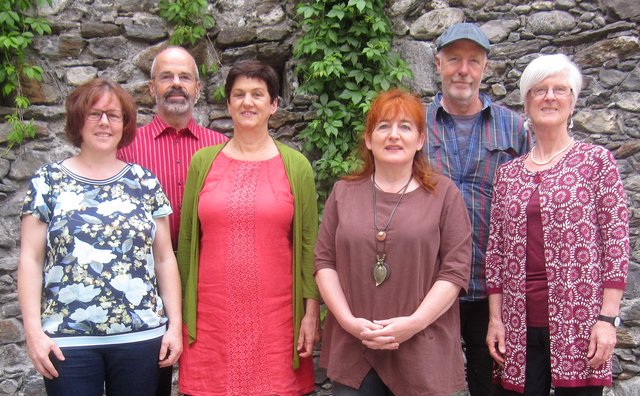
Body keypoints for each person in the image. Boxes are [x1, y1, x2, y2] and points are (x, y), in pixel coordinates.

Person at [18, 78, 182, 396]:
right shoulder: (47, 181)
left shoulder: (144, 182)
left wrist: (174, 325)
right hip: (67, 343)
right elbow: (30, 259)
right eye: (94, 113)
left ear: (125, 124)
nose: (104, 122)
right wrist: (32, 332)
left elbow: (164, 258)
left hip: (142, 337)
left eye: (114, 115)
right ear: (79, 120)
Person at [485, 54, 629, 395]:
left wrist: (607, 320)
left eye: (559, 89)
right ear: (526, 103)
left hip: (580, 323)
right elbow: (495, 253)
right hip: (518, 326)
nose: (549, 97)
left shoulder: (596, 162)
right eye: (539, 90)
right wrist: (495, 319)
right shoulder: (508, 175)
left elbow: (617, 241)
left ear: (573, 101)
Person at [177, 59, 320, 395]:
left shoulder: (296, 166)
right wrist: (179, 315)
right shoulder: (203, 163)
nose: (247, 102)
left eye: (258, 94)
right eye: (239, 94)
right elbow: (186, 243)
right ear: (227, 104)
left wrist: (310, 312)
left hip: (277, 322)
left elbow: (309, 246)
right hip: (212, 322)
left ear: (273, 105)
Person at [315, 88, 472, 395]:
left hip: (422, 349)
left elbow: (455, 271)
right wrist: (348, 322)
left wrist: (414, 323)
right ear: (369, 139)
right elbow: (324, 261)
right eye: (383, 126)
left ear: (420, 140)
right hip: (355, 348)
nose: (394, 136)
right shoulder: (343, 193)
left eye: (405, 127)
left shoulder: (444, 195)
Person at [424, 22, 532, 396]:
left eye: (474, 61)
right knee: (430, 384)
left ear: (485, 68)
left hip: (493, 290)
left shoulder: (514, 128)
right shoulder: (414, 128)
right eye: (454, 59)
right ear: (438, 63)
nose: (463, 70)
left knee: (491, 386)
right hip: (430, 286)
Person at [117, 47, 227, 395]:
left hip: (206, 283)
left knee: (213, 380)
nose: (176, 84)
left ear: (197, 88)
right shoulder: (126, 148)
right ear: (152, 87)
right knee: (150, 382)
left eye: (184, 78)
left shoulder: (223, 148)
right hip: (144, 286)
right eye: (167, 77)